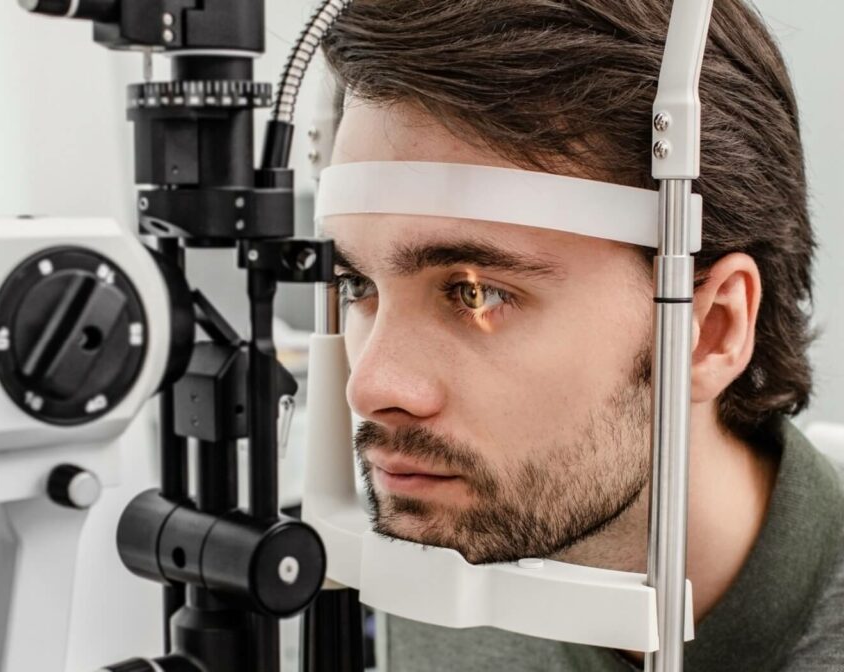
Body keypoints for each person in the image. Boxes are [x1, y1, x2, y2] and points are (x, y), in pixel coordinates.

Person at [318, 1, 844, 669]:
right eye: (358, 286)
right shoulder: (439, 563)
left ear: (710, 328)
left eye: (476, 294)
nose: (370, 386)